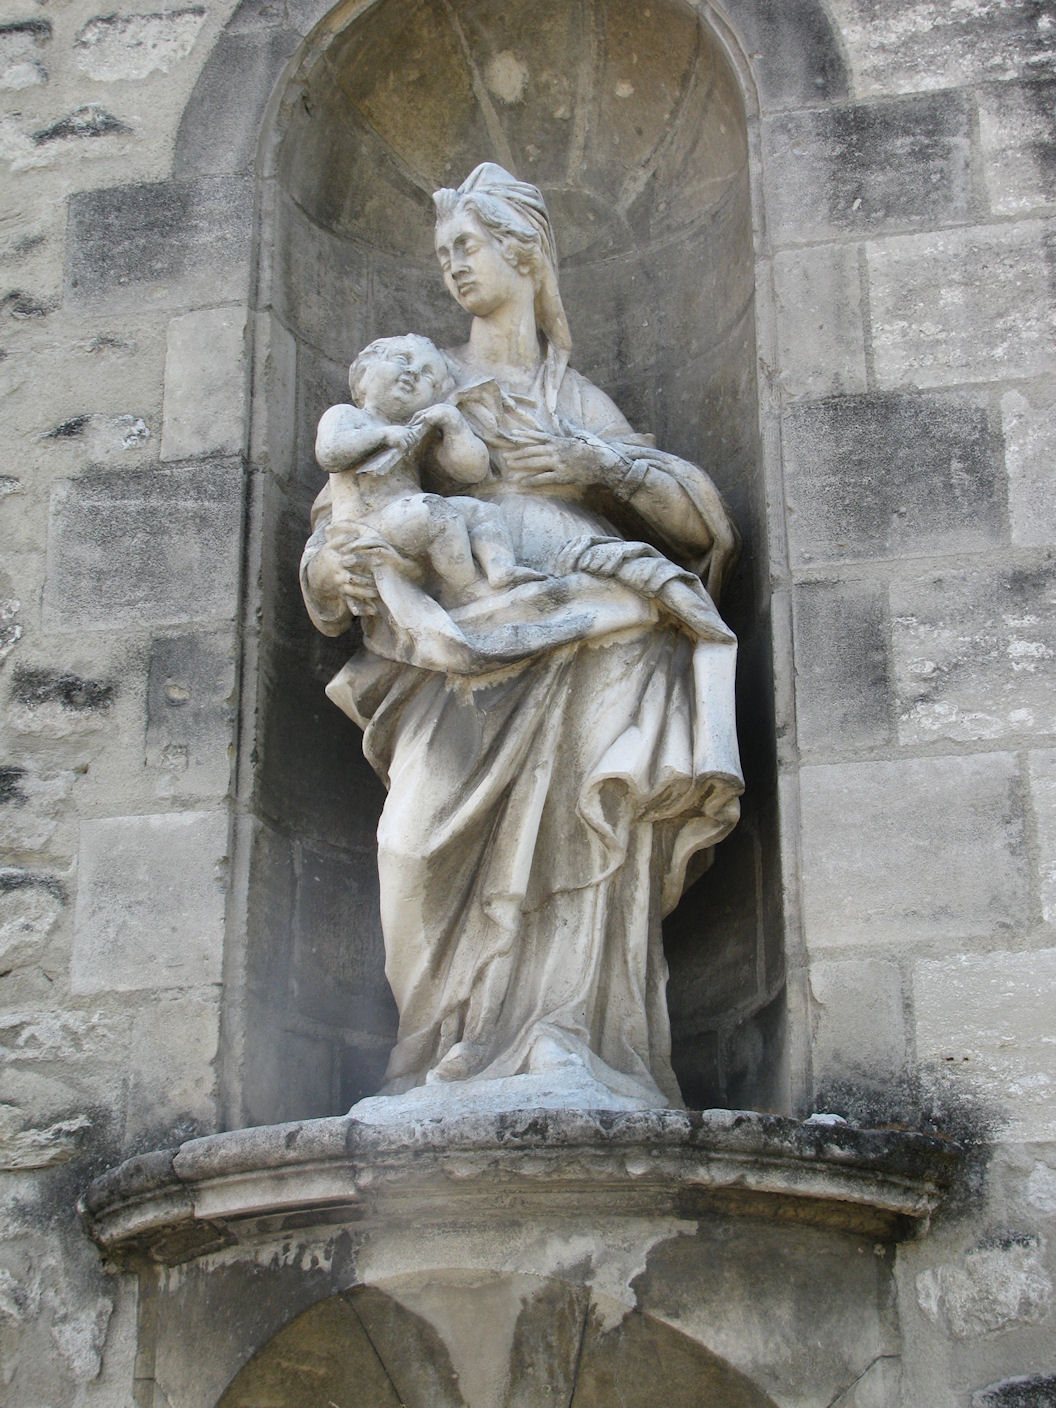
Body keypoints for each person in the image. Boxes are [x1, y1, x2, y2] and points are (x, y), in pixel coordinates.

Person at [301, 163, 743, 1111]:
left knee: (584, 817)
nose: (454, 266)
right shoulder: (420, 377)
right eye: (444, 252)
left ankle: (563, 1032)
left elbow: (698, 523)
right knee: (412, 846)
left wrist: (599, 465)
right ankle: (436, 1048)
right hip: (457, 651)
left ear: (525, 253)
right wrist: (334, 573)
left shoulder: (569, 396)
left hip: (594, 633)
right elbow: (342, 510)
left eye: (468, 246)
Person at [317, 333, 545, 606]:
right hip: (367, 523)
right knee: (435, 514)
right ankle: (468, 588)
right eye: (402, 359)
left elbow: (473, 471)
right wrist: (382, 436)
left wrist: (454, 424)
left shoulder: (418, 434)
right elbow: (330, 452)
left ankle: (501, 570)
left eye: (427, 374)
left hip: (406, 515)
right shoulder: (347, 415)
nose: (413, 372)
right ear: (365, 372)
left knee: (483, 512)